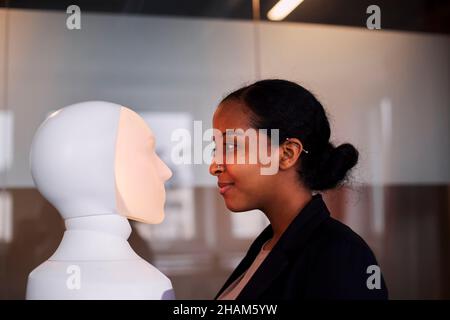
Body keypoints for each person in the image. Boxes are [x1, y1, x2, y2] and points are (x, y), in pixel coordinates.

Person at [209, 79, 388, 300]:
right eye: (217, 149)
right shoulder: (266, 247)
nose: (213, 166)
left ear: (286, 154)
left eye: (231, 147)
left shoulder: (340, 255)